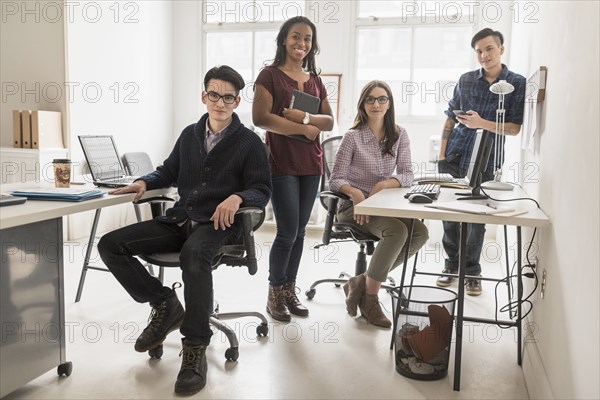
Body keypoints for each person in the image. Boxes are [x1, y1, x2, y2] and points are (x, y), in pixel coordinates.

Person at [97, 65, 271, 396]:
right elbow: (167, 171)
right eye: (215, 95)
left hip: (220, 225)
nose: (221, 102)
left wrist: (237, 197)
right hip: (181, 218)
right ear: (204, 96)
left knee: (194, 253)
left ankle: (194, 349)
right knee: (110, 244)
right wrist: (143, 181)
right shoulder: (189, 135)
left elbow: (262, 189)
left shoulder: (249, 141)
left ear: (237, 101)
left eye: (229, 97)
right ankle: (165, 303)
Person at [252, 16, 334, 322]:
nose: (302, 43)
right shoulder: (269, 76)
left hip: (311, 164)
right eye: (296, 37)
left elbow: (329, 121)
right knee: (286, 231)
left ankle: (289, 290)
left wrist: (303, 119)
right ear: (284, 40)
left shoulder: (314, 80)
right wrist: (303, 129)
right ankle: (274, 292)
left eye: (308, 39)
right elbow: (261, 118)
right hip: (282, 162)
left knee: (300, 232)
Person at [329, 80, 429, 328]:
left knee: (421, 232)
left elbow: (407, 174)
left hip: (382, 205)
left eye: (382, 99)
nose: (376, 104)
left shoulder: (399, 134)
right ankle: (370, 300)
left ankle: (361, 281)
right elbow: (335, 179)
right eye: (370, 99)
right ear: (363, 105)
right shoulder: (352, 137)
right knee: (397, 231)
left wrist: (384, 185)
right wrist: (356, 193)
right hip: (353, 208)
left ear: (389, 104)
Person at [436, 28, 525, 295]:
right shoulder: (466, 80)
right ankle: (451, 266)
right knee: (449, 216)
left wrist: (482, 123)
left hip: (487, 161)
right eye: (478, 51)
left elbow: (514, 128)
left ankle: (472, 272)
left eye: (489, 49)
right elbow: (450, 117)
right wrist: (441, 154)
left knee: (476, 218)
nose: (484, 55)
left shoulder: (516, 83)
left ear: (501, 49)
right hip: (454, 154)